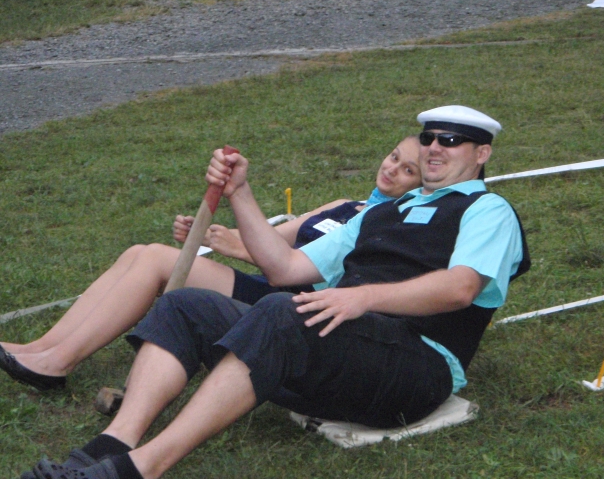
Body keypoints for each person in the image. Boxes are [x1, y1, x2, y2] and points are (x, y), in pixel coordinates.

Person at [21, 105, 531, 479]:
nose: (435, 147)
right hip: (345, 349)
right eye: (429, 138)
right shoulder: (379, 211)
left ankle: (140, 468)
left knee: (282, 311)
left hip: (417, 367)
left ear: (481, 153)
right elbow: (285, 267)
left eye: (452, 141)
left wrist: (362, 297)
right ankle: (111, 445)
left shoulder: (487, 209)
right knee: (184, 303)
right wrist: (240, 192)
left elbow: (461, 287)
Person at [0, 136, 422, 392]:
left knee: (156, 260)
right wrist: (208, 234)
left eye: (407, 170)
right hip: (265, 284)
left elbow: (296, 267)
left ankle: (59, 362)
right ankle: (42, 348)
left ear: (422, 185)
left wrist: (233, 247)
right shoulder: (346, 205)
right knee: (140, 252)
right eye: (393, 156)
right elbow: (269, 240)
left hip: (287, 307)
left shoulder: (389, 225)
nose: (392, 169)